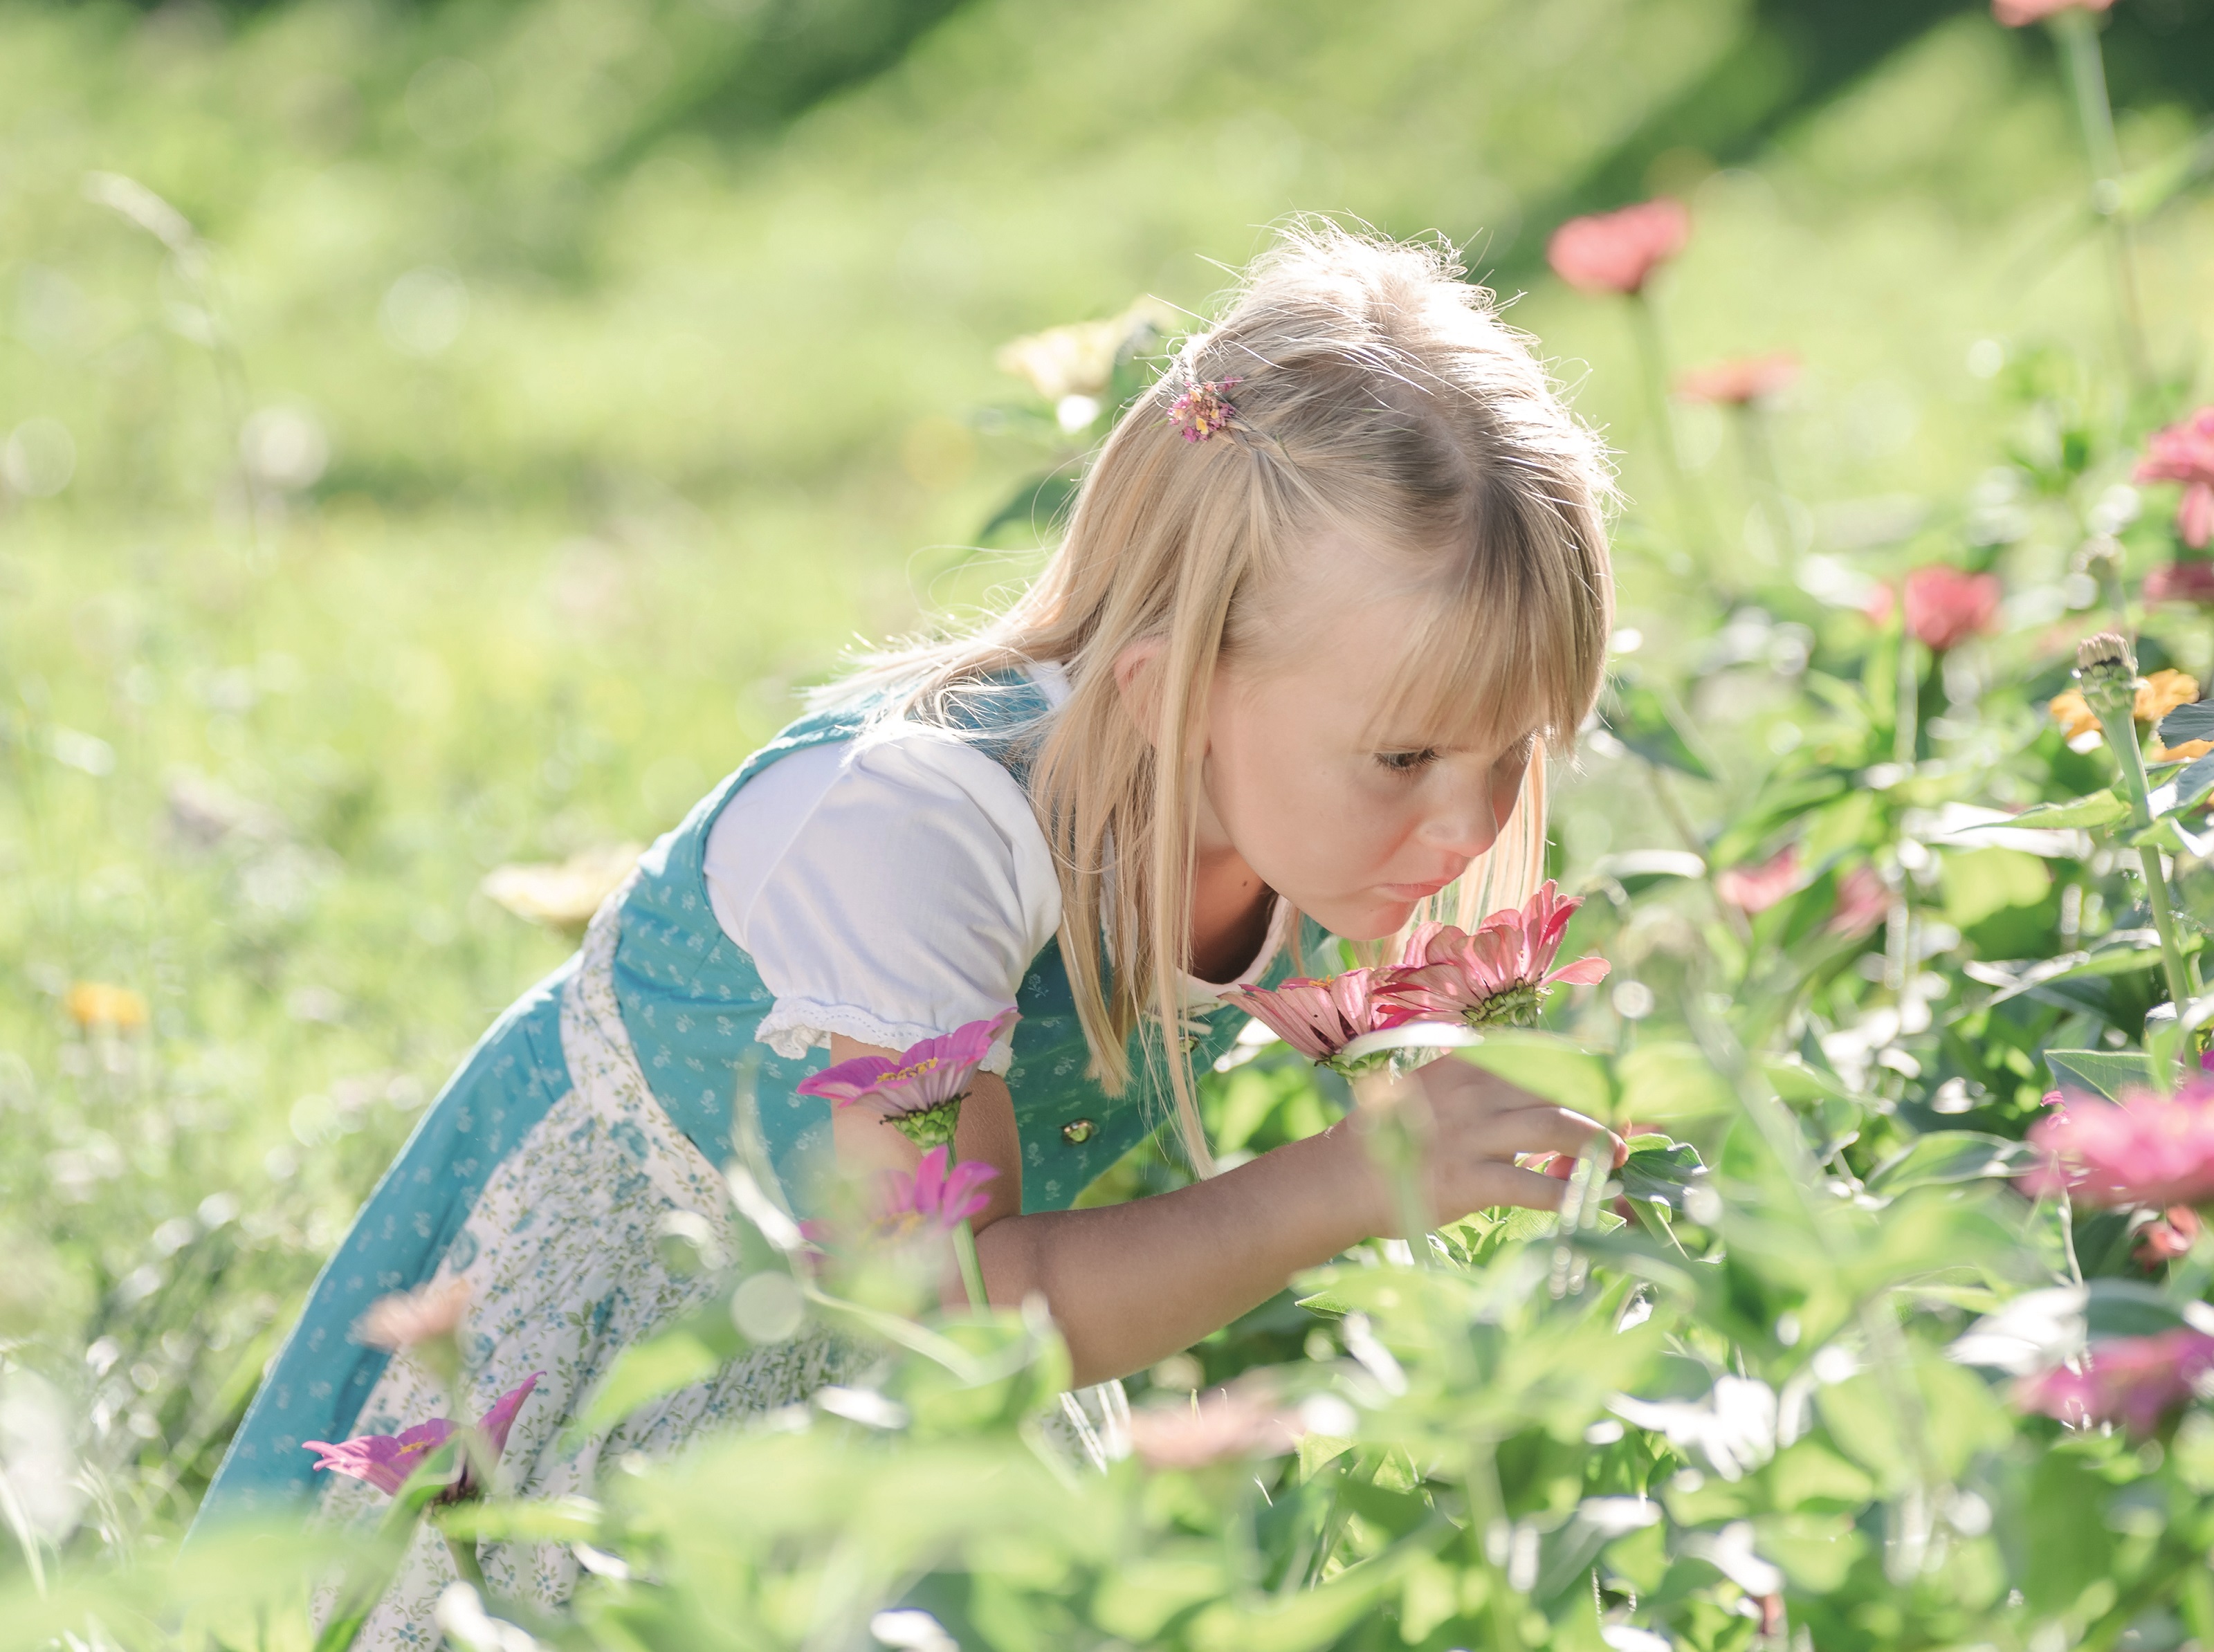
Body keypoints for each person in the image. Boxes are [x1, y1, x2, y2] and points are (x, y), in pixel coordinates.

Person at [195, 221, 1624, 1632]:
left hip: (923, 1394)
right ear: (1165, 690)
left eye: (1514, 751)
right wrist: (1355, 1178)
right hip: (648, 1355)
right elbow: (948, 1315)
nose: (1470, 824)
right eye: (1405, 758)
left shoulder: (1301, 819)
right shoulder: (910, 838)